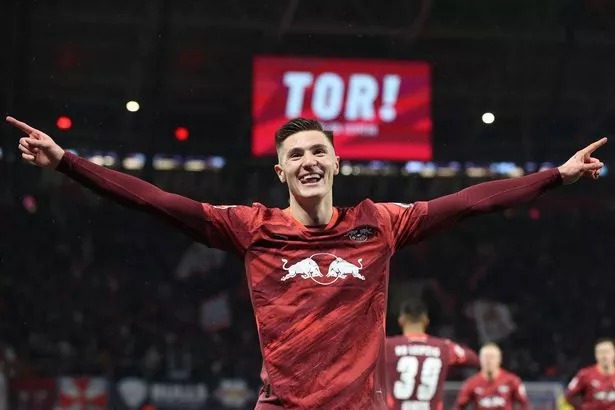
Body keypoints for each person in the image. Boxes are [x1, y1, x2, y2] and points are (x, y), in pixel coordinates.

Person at [8, 115, 606, 409]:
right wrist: (68, 163)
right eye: (296, 154)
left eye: (319, 150)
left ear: (336, 163)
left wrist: (557, 176)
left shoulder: (380, 224)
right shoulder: (252, 228)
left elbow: (471, 201)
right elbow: (157, 201)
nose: (309, 160)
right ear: (282, 172)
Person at [384, 298, 479, 410]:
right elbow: (474, 359)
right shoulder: (443, 347)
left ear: (401, 320)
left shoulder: (387, 346)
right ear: (426, 320)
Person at [454, 343, 529, 410]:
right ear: (480, 360)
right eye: (486, 357)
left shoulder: (512, 381)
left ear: (499, 359)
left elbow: (524, 404)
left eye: (492, 357)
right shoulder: (471, 383)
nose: (489, 361)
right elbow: (459, 406)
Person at [565, 338, 615, 409]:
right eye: (601, 352)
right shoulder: (585, 374)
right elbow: (569, 395)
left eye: (607, 352)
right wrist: (582, 407)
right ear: (596, 354)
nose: (604, 356)